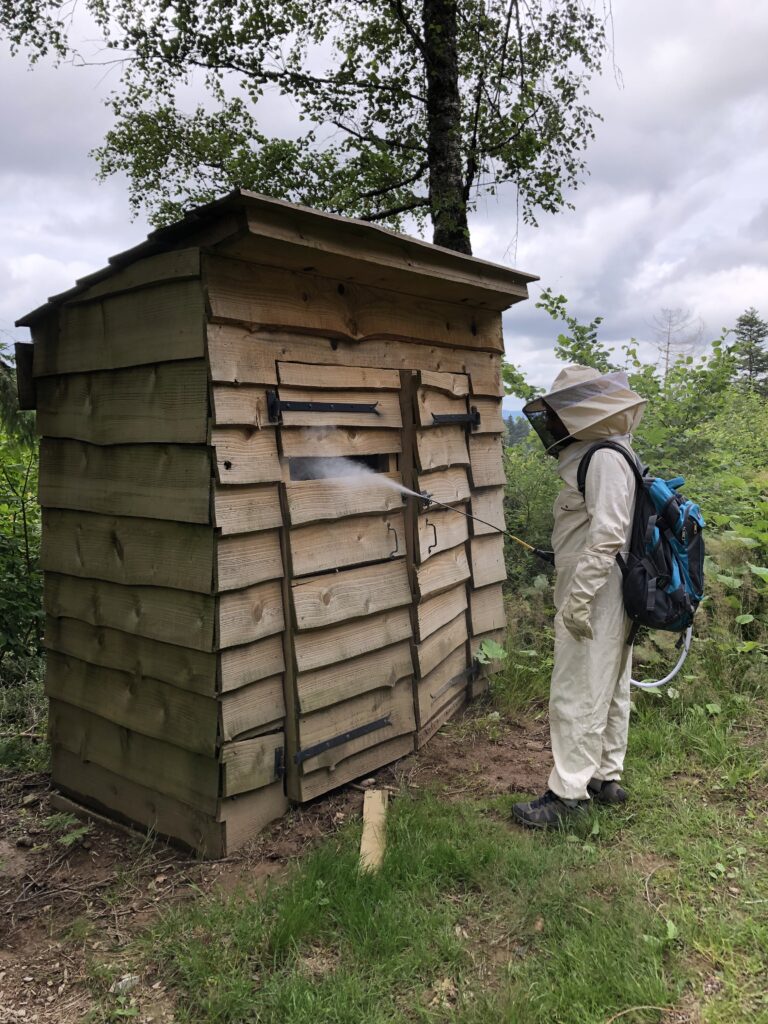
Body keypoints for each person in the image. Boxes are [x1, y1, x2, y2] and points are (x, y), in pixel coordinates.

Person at [512, 366, 647, 829]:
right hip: (611, 585)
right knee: (610, 684)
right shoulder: (607, 452)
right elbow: (595, 528)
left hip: (599, 589)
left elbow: (608, 536)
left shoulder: (605, 457)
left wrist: (579, 601)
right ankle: (604, 777)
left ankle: (567, 795)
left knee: (576, 689)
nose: (553, 419)